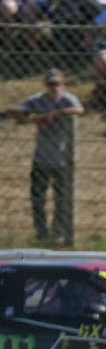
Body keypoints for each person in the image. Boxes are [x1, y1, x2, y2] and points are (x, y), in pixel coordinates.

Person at [5, 68, 84, 245]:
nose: (54, 87)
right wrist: (35, 117)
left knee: (62, 199)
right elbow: (16, 112)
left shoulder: (67, 99)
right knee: (37, 198)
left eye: (57, 84)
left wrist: (54, 114)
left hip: (63, 159)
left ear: (62, 84)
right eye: (50, 84)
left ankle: (59, 234)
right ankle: (41, 233)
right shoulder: (36, 100)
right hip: (41, 158)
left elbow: (79, 109)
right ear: (45, 84)